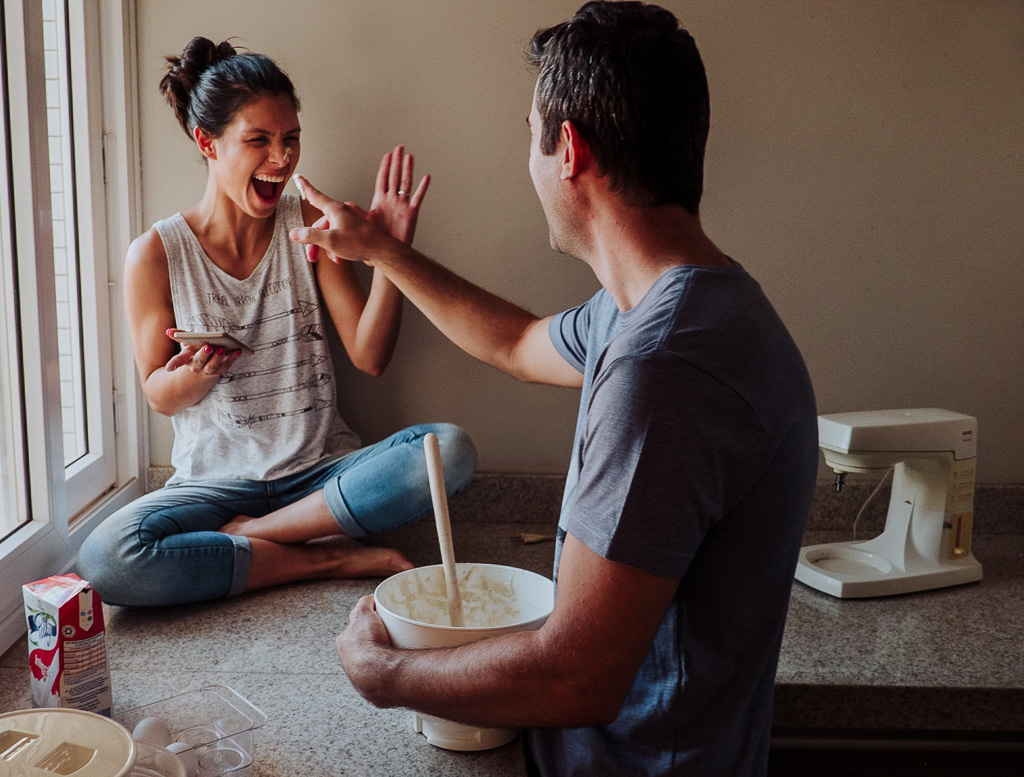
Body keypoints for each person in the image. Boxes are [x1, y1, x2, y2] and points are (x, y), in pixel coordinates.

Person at [296, 2, 817, 775]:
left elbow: (578, 673)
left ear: (568, 149)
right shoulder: (681, 307)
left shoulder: (665, 365)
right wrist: (383, 253)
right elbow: (515, 341)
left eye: (529, 132)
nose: (528, 159)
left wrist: (387, 675)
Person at [78, 37, 476, 608]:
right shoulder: (155, 254)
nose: (281, 159)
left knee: (450, 451)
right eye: (258, 141)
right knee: (105, 559)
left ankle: (255, 539)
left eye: (290, 140)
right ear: (207, 143)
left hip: (319, 474)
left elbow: (370, 355)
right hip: (212, 488)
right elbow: (159, 394)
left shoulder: (311, 221)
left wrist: (386, 253)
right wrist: (194, 375)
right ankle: (323, 555)